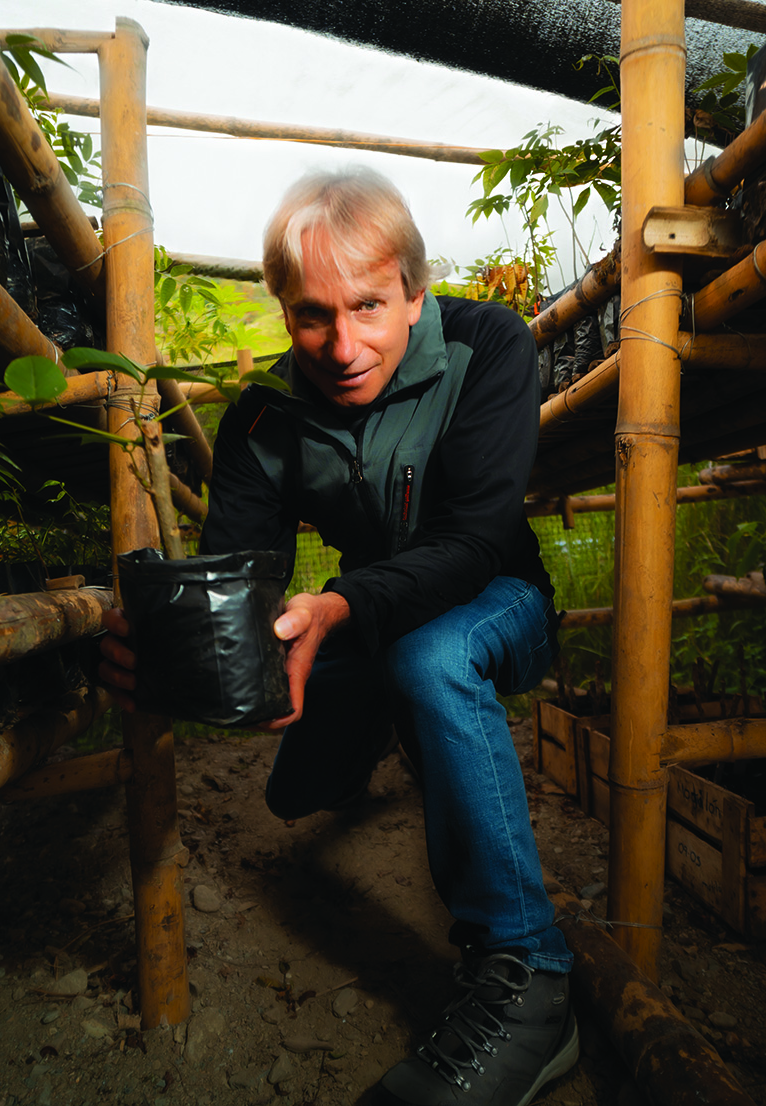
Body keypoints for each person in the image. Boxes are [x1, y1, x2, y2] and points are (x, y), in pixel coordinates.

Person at [100, 167, 578, 1106]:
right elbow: (241, 581)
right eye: (313, 315)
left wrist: (340, 609)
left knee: (430, 655)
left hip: (500, 599)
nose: (344, 344)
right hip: (367, 620)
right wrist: (166, 656)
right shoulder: (264, 421)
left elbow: (479, 540)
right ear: (285, 313)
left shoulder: (488, 345)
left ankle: (530, 978)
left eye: (368, 305)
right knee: (296, 790)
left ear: (413, 288)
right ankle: (374, 726)